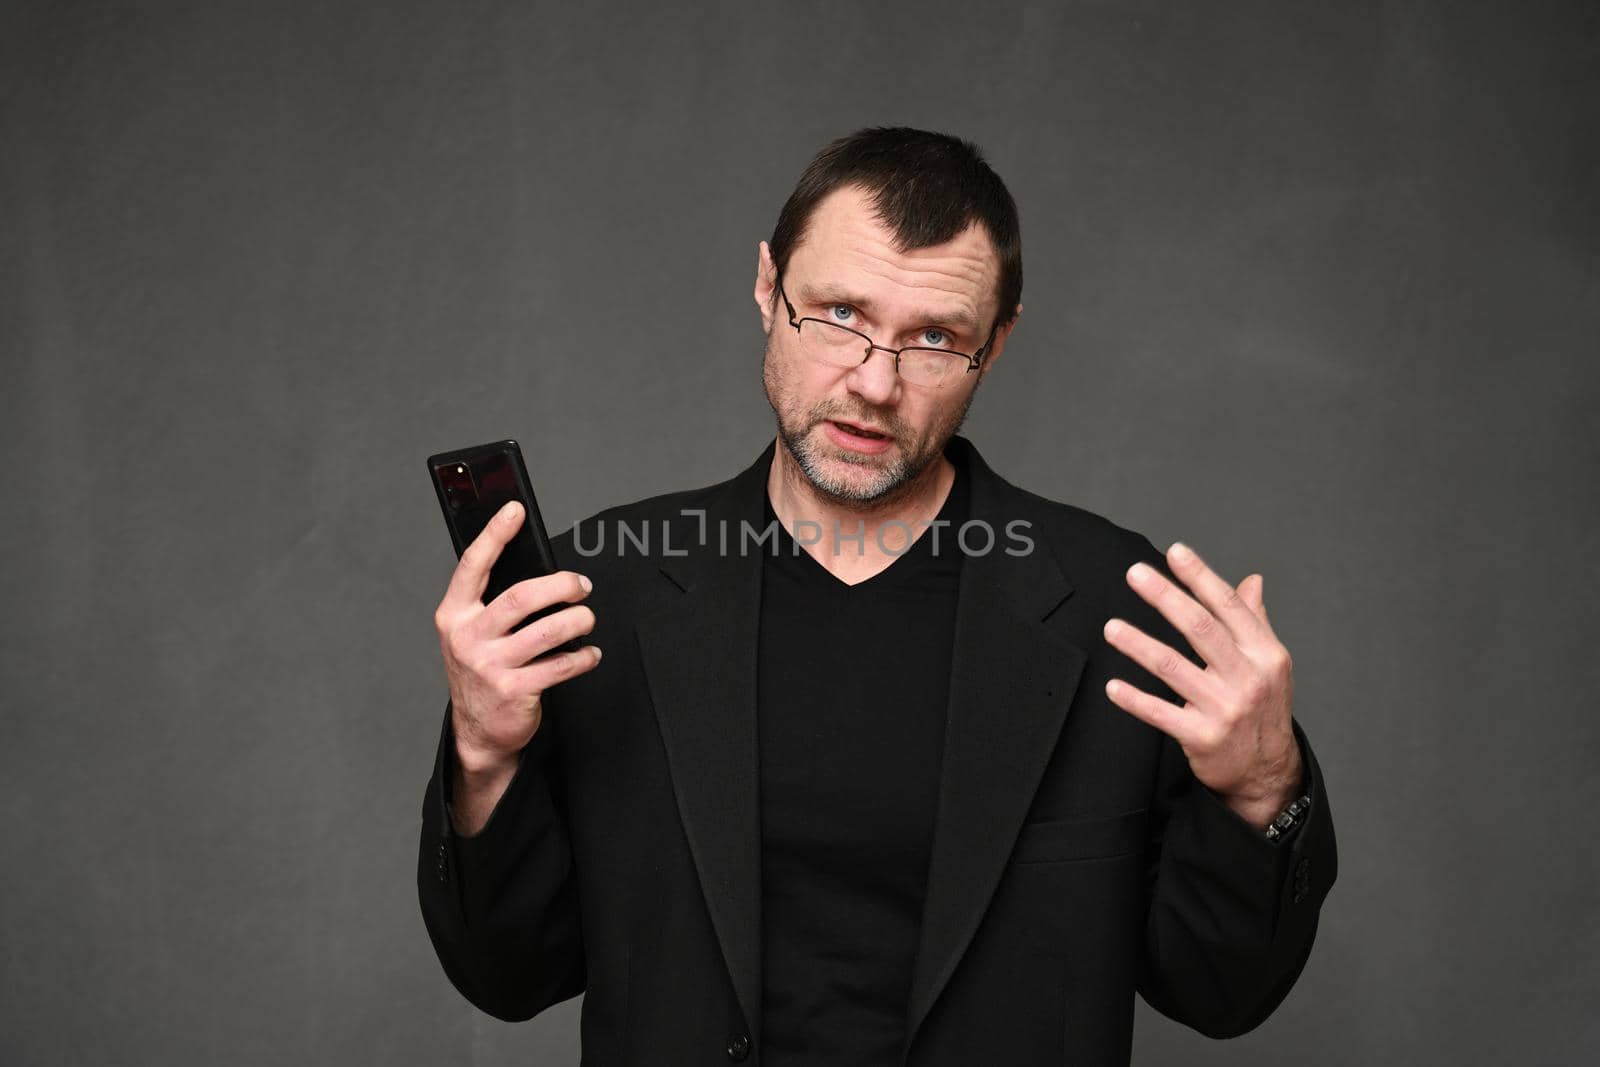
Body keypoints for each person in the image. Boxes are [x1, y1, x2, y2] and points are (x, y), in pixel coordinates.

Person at [418, 127, 1336, 1067]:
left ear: (998, 343)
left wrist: (1262, 789)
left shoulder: (1120, 611)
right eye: (840, 313)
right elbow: (511, 978)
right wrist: (485, 757)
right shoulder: (599, 593)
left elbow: (1221, 995)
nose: (875, 381)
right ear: (769, 289)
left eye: (934, 338)